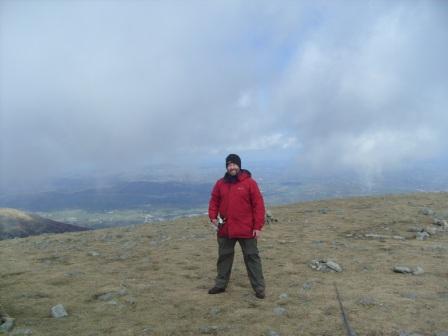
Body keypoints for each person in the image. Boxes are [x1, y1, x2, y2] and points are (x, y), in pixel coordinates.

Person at [208, 154, 266, 299]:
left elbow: (258, 205)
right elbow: (214, 201)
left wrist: (257, 227)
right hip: (225, 228)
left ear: (239, 165)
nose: (232, 167)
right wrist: (213, 216)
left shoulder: (250, 183)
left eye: (234, 164)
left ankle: (259, 288)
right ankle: (220, 285)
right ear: (226, 167)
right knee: (224, 257)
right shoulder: (220, 184)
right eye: (229, 165)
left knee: (252, 257)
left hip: (247, 229)